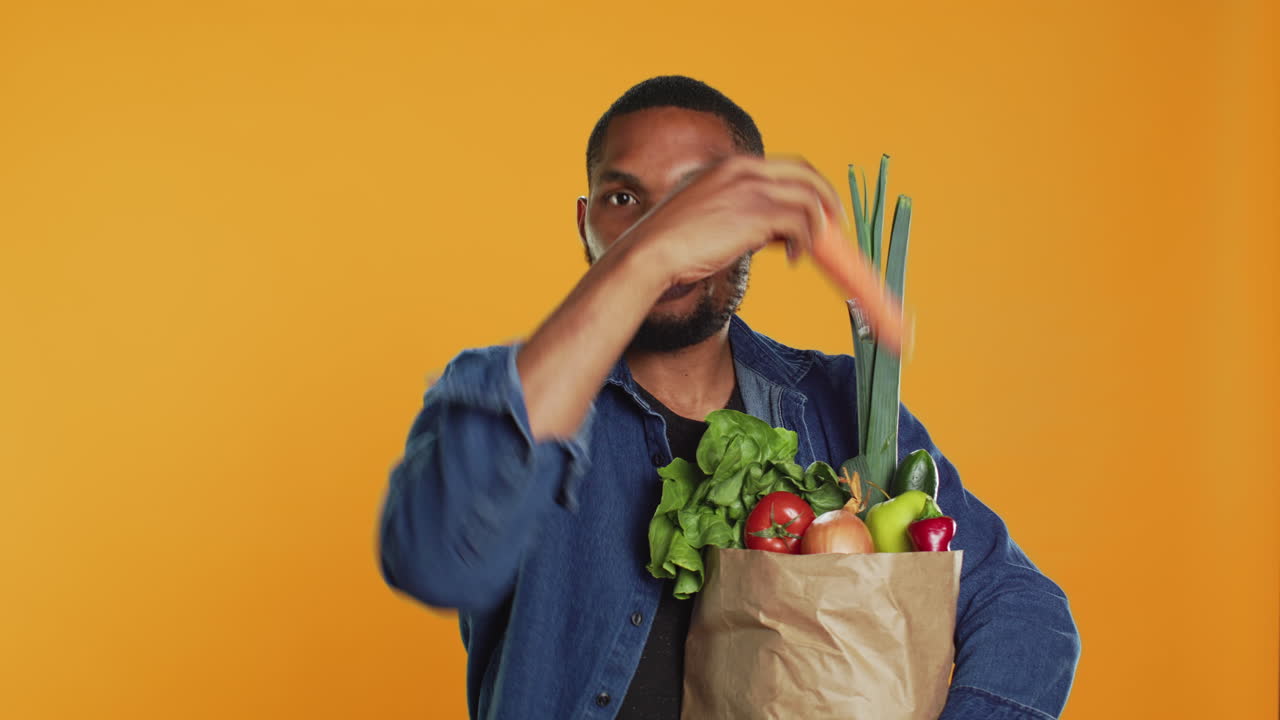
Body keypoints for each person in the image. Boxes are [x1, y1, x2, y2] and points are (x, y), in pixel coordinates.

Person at [378, 74, 1081, 720]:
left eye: (699, 200)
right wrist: (648, 256)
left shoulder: (842, 406)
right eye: (627, 201)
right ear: (584, 222)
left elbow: (1025, 610)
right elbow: (440, 556)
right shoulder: (524, 394)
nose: (672, 227)